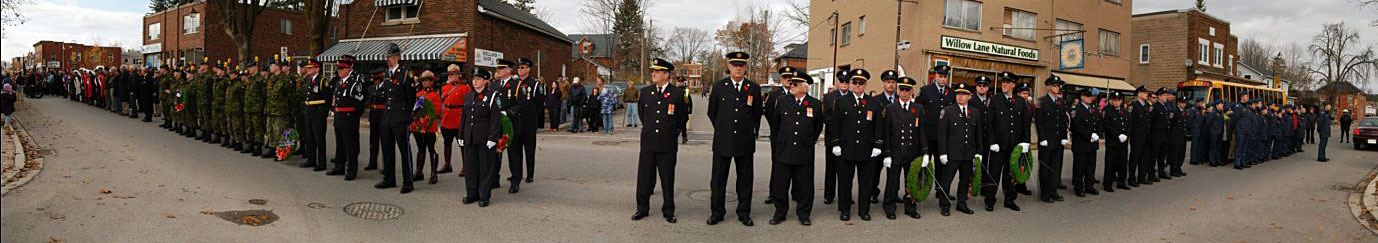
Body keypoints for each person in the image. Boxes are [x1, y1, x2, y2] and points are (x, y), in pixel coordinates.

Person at [705, 51, 763, 226]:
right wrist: (724, 129)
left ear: (746, 68)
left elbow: (757, 113)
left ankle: (744, 212)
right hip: (723, 140)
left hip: (744, 141)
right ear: (729, 67)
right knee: (718, 179)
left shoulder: (753, 88)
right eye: (734, 65)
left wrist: (745, 130)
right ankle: (717, 212)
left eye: (741, 65)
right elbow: (712, 112)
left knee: (745, 179)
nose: (738, 68)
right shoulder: (719, 86)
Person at [630, 58, 688, 223]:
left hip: (667, 144)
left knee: (667, 179)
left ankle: (668, 210)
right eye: (653, 71)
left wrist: (671, 133)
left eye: (657, 71)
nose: (653, 74)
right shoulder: (646, 92)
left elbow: (682, 118)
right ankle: (642, 208)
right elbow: (643, 114)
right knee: (644, 178)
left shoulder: (677, 94)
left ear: (666, 74)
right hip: (648, 143)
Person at [766, 71, 823, 225]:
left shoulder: (815, 104)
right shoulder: (782, 101)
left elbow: (817, 127)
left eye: (795, 84)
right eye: (791, 83)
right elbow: (775, 125)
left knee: (805, 185)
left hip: (804, 151)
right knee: (780, 185)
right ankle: (780, 213)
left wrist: (808, 141)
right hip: (784, 150)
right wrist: (779, 143)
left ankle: (804, 214)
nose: (791, 86)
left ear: (805, 87)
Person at [828, 69, 882, 221]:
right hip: (846, 150)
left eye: (861, 83)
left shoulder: (873, 103)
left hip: (867, 150)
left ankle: (864, 211)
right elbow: (835, 125)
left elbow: (878, 126)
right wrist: (835, 144)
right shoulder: (841, 102)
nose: (858, 85)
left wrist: (878, 145)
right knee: (845, 183)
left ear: (865, 84)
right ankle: (845, 210)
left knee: (866, 184)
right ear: (851, 84)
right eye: (855, 82)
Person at [879, 76, 924, 219]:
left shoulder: (918, 108)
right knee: (892, 182)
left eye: (907, 90)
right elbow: (885, 132)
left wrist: (925, 153)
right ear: (898, 91)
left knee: (911, 182)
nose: (904, 92)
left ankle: (910, 207)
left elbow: (922, 132)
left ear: (912, 91)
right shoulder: (890, 108)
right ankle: (889, 206)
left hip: (912, 152)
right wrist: (886, 154)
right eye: (902, 89)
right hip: (895, 152)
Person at [460, 68, 503, 207]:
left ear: (485, 81)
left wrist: (493, 138)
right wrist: (461, 134)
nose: (475, 81)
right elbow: (464, 117)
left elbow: (495, 119)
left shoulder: (492, 96)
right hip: (470, 137)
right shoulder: (468, 95)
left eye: (478, 79)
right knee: (470, 167)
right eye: (473, 79)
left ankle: (484, 195)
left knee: (485, 168)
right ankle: (472, 194)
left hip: (485, 139)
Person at [377, 44, 417, 194]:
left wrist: (406, 116)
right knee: (387, 150)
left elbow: (411, 98)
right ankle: (389, 179)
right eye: (387, 57)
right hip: (387, 117)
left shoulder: (406, 74)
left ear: (398, 57)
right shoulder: (387, 74)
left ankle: (408, 182)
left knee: (404, 151)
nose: (389, 60)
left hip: (400, 117)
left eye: (391, 57)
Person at [984, 71, 1026, 211]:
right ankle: (990, 200)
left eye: (1007, 83)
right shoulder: (995, 99)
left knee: (1011, 173)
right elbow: (989, 123)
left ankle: (1010, 199)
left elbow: (1024, 123)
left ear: (1013, 85)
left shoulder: (1020, 101)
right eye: (1003, 82)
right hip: (998, 145)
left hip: (1014, 145)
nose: (1004, 85)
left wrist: (1025, 142)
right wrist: (992, 142)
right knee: (994, 173)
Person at [937, 82, 981, 216]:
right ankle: (944, 205)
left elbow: (978, 134)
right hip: (952, 154)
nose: (960, 97)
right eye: (958, 94)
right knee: (946, 180)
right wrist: (943, 153)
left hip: (968, 153)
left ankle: (962, 203)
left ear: (970, 96)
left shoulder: (975, 112)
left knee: (964, 180)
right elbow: (942, 134)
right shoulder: (948, 111)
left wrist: (979, 152)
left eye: (964, 94)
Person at [1035, 76, 1069, 203]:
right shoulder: (1041, 102)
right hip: (1046, 141)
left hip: (1057, 141)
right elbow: (1039, 122)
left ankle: (1053, 191)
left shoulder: (1060, 102)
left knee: (1055, 167)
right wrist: (1042, 138)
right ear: (1048, 87)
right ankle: (1045, 194)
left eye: (1058, 85)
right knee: (1045, 168)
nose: (1057, 87)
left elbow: (1063, 122)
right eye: (1054, 85)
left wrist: (1064, 136)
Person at [820, 70, 850, 206]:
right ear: (837, 82)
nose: (844, 84)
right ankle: (829, 194)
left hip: (848, 140)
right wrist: (838, 127)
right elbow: (825, 116)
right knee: (831, 168)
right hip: (832, 138)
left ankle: (846, 195)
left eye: (847, 81)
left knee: (846, 170)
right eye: (841, 81)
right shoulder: (829, 97)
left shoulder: (852, 96)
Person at [300, 59, 332, 171]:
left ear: (317, 68)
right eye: (307, 68)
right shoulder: (309, 80)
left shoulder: (323, 81)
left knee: (319, 139)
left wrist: (323, 113)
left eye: (310, 68)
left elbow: (328, 99)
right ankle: (311, 159)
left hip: (318, 114)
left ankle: (322, 163)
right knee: (310, 138)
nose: (308, 69)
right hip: (309, 113)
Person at [440, 64, 471, 176]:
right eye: (449, 74)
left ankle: (466, 166)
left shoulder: (465, 87)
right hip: (447, 118)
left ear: (458, 75)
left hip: (459, 119)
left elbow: (469, 104)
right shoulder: (444, 87)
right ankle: (447, 165)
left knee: (462, 144)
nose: (450, 76)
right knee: (446, 143)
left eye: (452, 74)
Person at [1069, 88, 1101, 197]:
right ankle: (1078, 187)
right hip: (1081, 144)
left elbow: (1099, 123)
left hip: (1092, 144)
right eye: (1087, 96)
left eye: (1091, 96)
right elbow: (1076, 126)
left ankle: (1089, 186)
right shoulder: (1076, 109)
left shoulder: (1094, 109)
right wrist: (1089, 135)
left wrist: (1098, 134)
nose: (1090, 98)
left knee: (1091, 167)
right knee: (1080, 167)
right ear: (1082, 96)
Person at [412, 71, 443, 184]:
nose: (425, 82)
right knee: (421, 149)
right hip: (419, 126)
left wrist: (426, 111)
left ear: (431, 82)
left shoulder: (435, 95)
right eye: (423, 80)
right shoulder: (418, 94)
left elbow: (438, 111)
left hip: (430, 127)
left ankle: (433, 174)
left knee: (432, 150)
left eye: (427, 80)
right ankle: (419, 172)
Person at [1101, 92, 1131, 192]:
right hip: (1113, 142)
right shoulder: (1107, 111)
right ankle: (1107, 184)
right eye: (1114, 100)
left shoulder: (1125, 111)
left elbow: (1129, 125)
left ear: (1121, 101)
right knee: (1110, 163)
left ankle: (1121, 182)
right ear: (1111, 101)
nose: (1117, 102)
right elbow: (1107, 126)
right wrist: (1118, 135)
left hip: (1123, 143)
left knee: (1122, 162)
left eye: (1118, 100)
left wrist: (1126, 134)